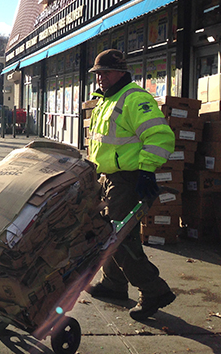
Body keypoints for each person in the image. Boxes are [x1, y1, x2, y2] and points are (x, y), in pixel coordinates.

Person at [86, 49, 176, 321]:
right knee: (107, 233)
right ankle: (114, 284)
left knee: (118, 239)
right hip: (110, 178)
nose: (100, 78)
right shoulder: (107, 99)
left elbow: (160, 137)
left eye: (104, 72)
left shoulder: (135, 99)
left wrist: (147, 171)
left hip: (129, 179)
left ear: (121, 73)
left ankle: (154, 290)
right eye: (97, 73)